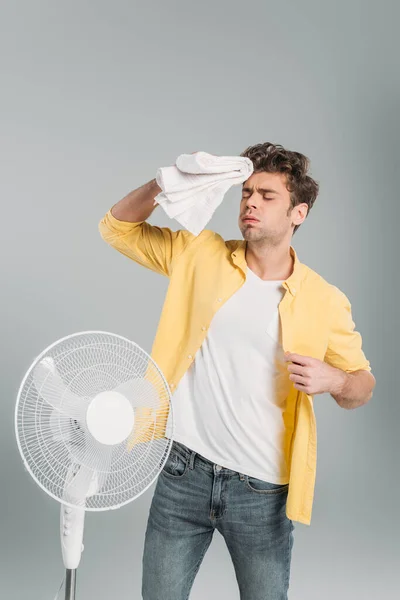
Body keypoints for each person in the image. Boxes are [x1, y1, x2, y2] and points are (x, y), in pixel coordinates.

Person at [99, 142, 376, 600]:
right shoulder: (199, 255)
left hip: (262, 491)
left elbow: (362, 386)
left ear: (298, 213)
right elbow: (116, 229)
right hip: (182, 471)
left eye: (268, 196)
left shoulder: (325, 300)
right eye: (246, 192)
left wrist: (338, 381)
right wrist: (164, 184)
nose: (250, 202)